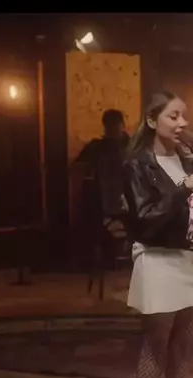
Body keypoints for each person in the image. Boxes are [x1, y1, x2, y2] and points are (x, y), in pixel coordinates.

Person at [123, 90, 193, 378]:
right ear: (152, 121)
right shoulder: (139, 165)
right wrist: (182, 189)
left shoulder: (187, 160)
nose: (182, 123)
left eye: (184, 116)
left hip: (192, 259)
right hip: (158, 260)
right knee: (156, 347)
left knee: (183, 348)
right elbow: (144, 219)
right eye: (173, 116)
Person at [72, 109, 131, 269]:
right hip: (104, 196)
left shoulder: (132, 146)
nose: (112, 130)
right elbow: (77, 167)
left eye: (115, 125)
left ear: (122, 125)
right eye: (108, 126)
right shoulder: (97, 147)